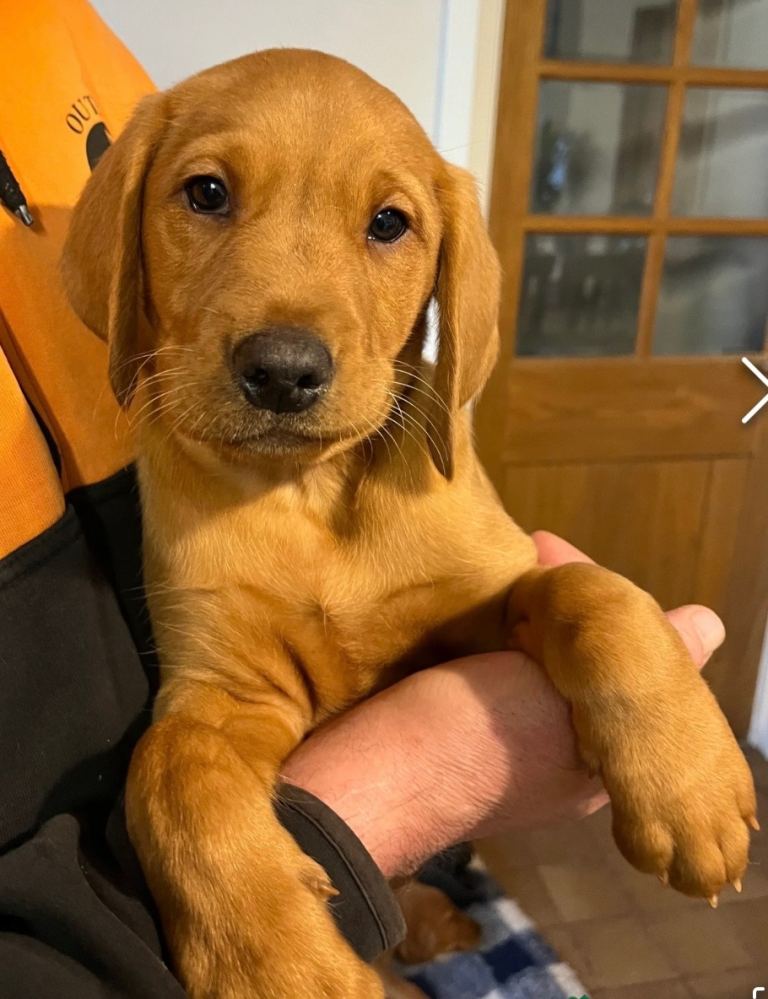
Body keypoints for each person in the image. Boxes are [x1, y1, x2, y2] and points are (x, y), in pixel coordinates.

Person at [0, 2, 725, 995]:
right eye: (207, 195)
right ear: (124, 244)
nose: (286, 344)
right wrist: (200, 820)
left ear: (444, 298)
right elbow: (225, 717)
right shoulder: (180, 493)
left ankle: (409, 902)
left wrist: (614, 636)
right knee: (178, 766)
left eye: (388, 225)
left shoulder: (59, 40)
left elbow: (531, 595)